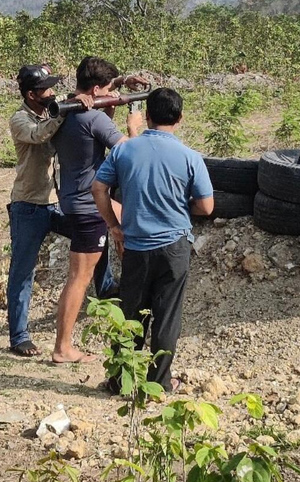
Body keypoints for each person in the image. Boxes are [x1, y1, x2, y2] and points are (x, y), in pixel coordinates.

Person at [92, 87, 214, 392]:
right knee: (167, 316)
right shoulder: (190, 157)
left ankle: (122, 380)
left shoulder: (124, 150)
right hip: (175, 247)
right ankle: (159, 383)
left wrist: (114, 226)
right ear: (180, 118)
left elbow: (98, 189)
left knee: (130, 314)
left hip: (136, 246)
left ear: (146, 116)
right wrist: (178, 205)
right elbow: (206, 206)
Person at [6, 64, 114, 357]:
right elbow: (40, 135)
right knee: (23, 271)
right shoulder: (21, 120)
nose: (53, 92)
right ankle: (19, 337)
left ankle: (106, 288)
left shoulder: (53, 108)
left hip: (57, 202)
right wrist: (64, 110)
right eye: (46, 89)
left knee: (94, 234)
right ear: (31, 95)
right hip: (29, 204)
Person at [50, 56, 144, 363]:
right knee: (79, 276)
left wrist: (116, 90)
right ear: (94, 90)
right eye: (108, 90)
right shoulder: (93, 118)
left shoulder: (69, 110)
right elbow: (131, 155)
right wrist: (134, 128)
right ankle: (63, 347)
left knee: (84, 270)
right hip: (87, 205)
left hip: (73, 199)